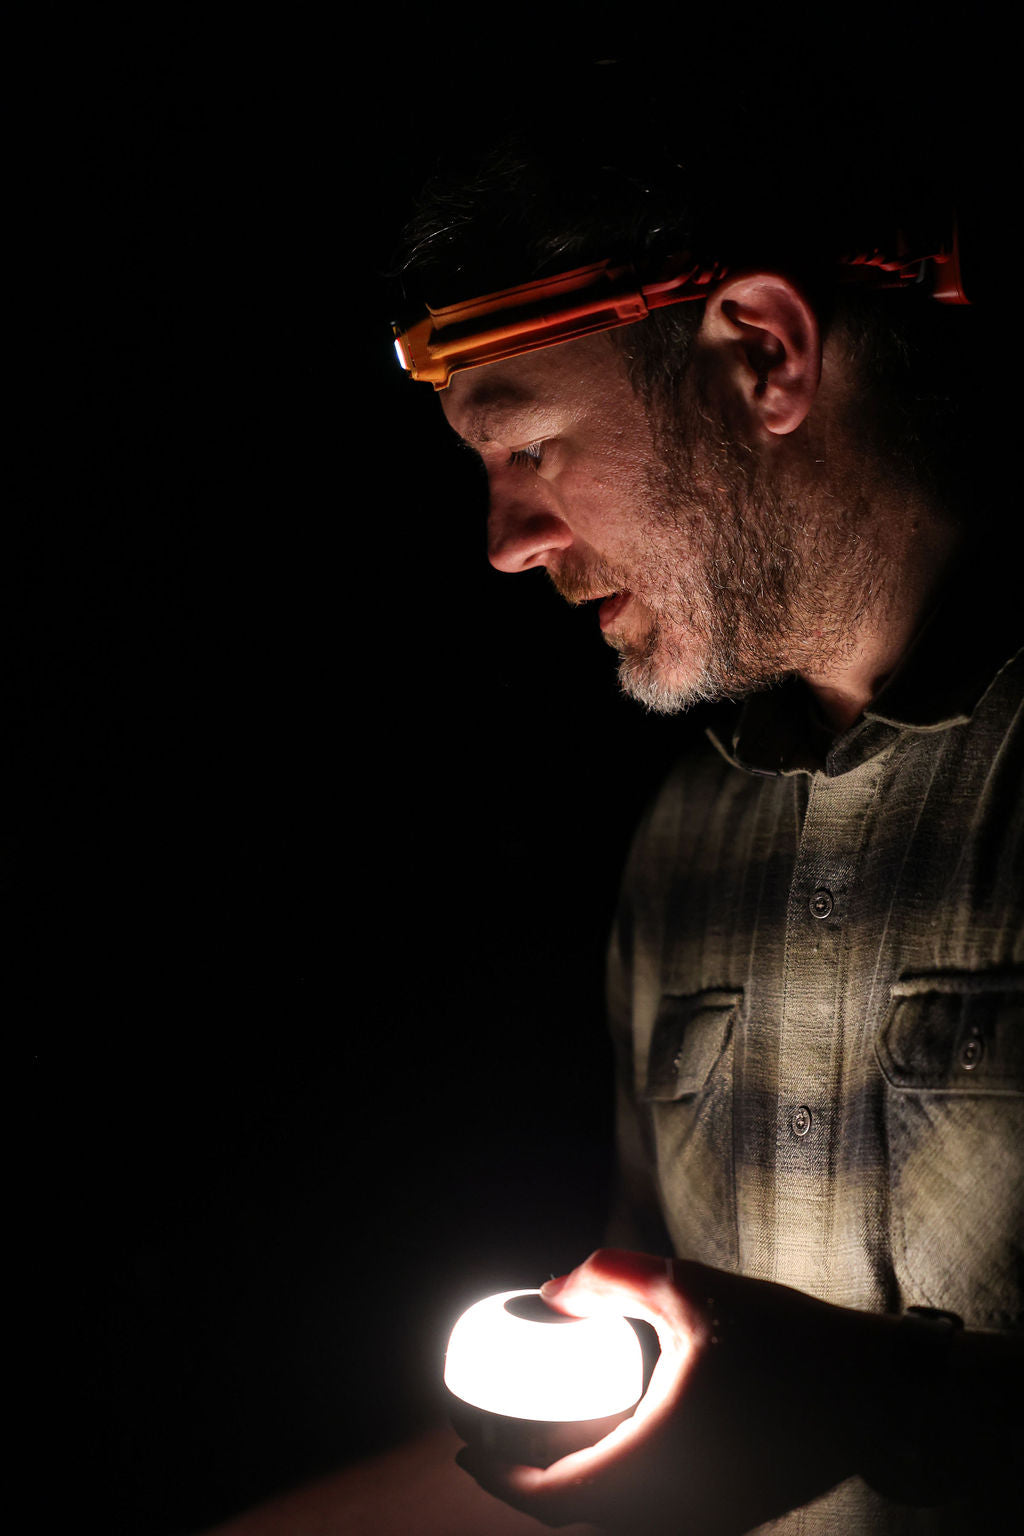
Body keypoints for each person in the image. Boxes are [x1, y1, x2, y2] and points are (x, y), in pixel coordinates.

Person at [204, 56, 1021, 1536]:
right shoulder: (689, 843)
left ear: (762, 354)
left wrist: (875, 1402)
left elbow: (801, 1401)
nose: (506, 539)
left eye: (528, 444)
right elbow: (657, 1400)